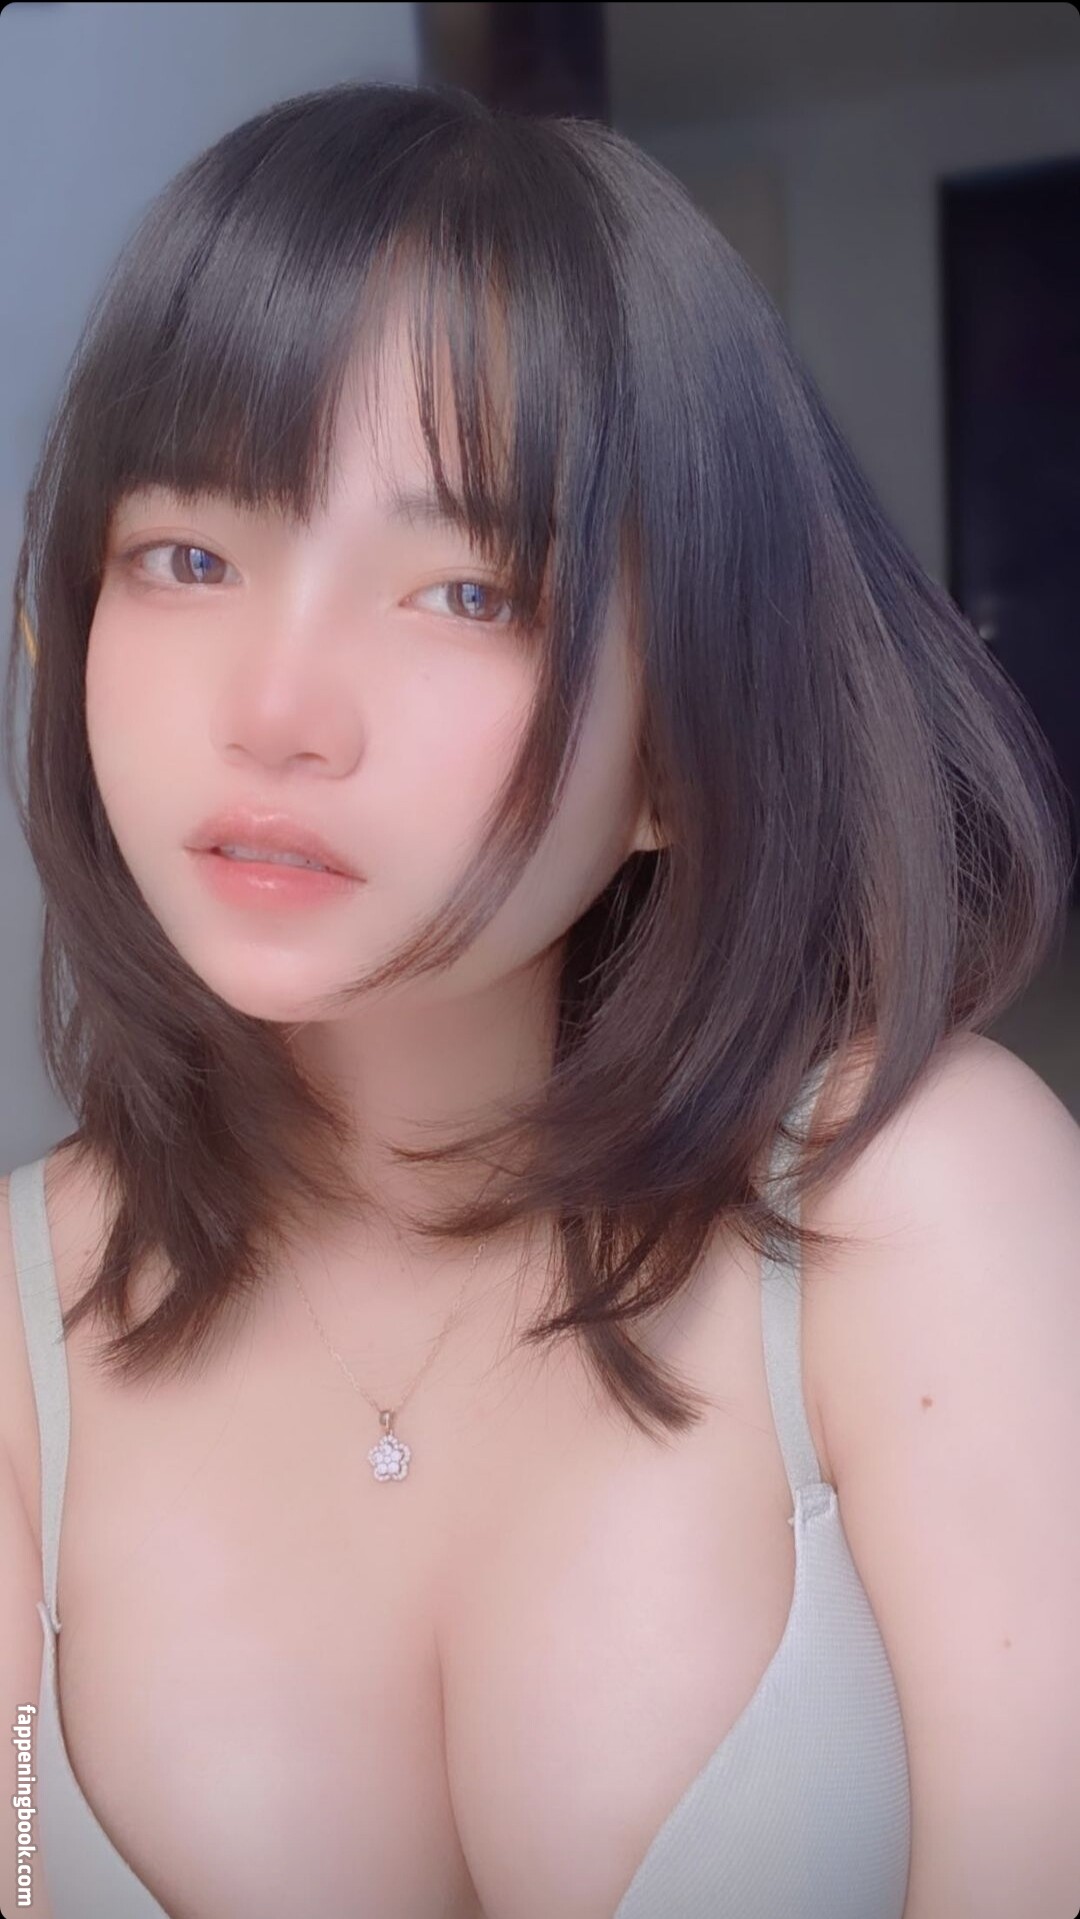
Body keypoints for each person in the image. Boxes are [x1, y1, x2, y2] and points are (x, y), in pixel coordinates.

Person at [1, 78, 1073, 1919]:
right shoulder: (20, 1326)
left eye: (467, 592)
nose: (277, 709)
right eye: (189, 556)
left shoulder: (922, 1206)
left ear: (682, 743)